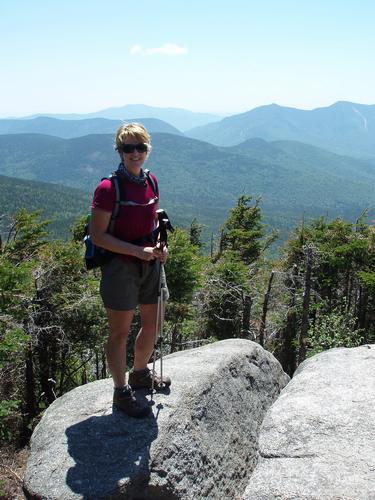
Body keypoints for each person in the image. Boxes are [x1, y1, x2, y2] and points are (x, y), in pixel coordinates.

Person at [90, 123, 171, 418]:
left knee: (153, 324)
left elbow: (153, 221)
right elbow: (98, 235)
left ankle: (139, 373)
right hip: (121, 267)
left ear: (148, 149)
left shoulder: (151, 181)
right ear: (119, 151)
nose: (135, 153)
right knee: (119, 333)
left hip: (149, 263)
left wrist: (161, 246)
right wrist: (138, 251)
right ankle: (120, 390)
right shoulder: (108, 188)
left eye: (141, 147)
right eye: (128, 148)